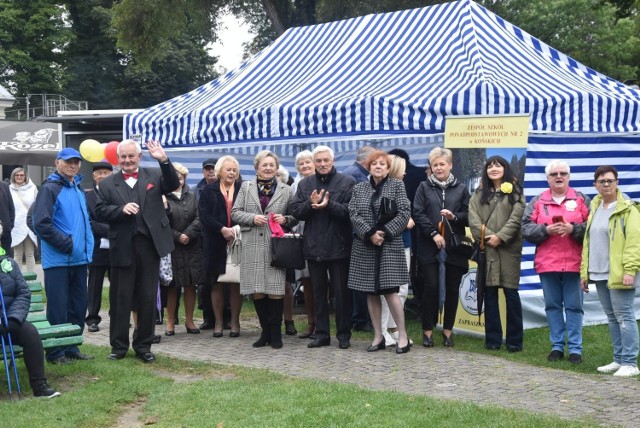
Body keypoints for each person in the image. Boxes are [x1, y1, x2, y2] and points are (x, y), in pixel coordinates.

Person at [95, 139, 180, 363]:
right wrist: (120, 209)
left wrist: (164, 160)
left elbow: (172, 184)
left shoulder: (153, 175)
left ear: (139, 157)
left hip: (149, 245)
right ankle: (118, 346)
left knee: (148, 297)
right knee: (120, 297)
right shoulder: (107, 183)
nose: (127, 160)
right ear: (118, 159)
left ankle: (144, 346)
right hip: (122, 245)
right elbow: (100, 211)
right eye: (123, 157)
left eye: (131, 156)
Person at [522, 160, 589, 364]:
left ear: (569, 176)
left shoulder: (581, 199)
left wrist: (574, 229)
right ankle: (557, 347)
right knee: (552, 306)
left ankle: (576, 349)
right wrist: (545, 230)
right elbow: (524, 227)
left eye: (562, 173)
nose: (558, 177)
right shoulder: (537, 201)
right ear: (547, 178)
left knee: (574, 307)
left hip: (574, 262)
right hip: (548, 262)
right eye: (554, 174)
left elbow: (593, 226)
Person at [33, 147, 94, 364]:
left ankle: (71, 347)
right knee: (58, 308)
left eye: (76, 162)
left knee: (78, 305)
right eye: (68, 161)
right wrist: (66, 244)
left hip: (79, 258)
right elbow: (40, 223)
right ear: (57, 162)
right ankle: (55, 352)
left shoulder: (77, 189)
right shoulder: (50, 188)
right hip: (59, 260)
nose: (73, 165)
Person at [348, 150, 413, 354]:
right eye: (374, 163)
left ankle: (402, 336)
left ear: (387, 168)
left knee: (390, 291)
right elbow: (354, 213)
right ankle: (378, 336)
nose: (378, 166)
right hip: (365, 246)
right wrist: (369, 233)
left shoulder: (397, 185)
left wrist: (383, 233)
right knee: (371, 292)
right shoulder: (359, 188)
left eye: (382, 164)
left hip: (389, 246)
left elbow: (404, 212)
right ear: (369, 166)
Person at [291, 145, 355, 349]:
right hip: (314, 246)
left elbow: (350, 212)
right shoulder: (305, 183)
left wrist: (329, 205)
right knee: (318, 293)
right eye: (318, 161)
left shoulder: (347, 182)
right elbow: (295, 212)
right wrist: (310, 204)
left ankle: (344, 334)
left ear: (333, 161)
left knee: (341, 294)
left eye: (326, 160)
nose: (322, 164)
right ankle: (322, 334)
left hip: (339, 245)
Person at [231, 150, 297, 349]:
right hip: (251, 244)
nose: (268, 168)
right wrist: (251, 218)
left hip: (275, 246)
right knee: (258, 290)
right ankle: (265, 333)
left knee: (276, 289)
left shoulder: (287, 189)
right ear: (256, 167)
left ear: (277, 168)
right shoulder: (245, 187)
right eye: (264, 165)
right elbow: (235, 213)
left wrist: (285, 219)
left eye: (272, 165)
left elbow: (295, 216)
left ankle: (276, 334)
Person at [580, 166, 640, 376]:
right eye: (601, 181)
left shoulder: (628, 209)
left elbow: (634, 243)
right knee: (612, 317)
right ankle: (618, 359)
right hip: (598, 272)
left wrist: (630, 270)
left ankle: (631, 362)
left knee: (624, 316)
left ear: (617, 183)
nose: (606, 184)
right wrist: (584, 273)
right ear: (595, 185)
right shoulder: (595, 207)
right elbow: (588, 243)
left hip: (620, 273)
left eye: (610, 181)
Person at [413, 147, 470, 348]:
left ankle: (448, 331)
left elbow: (469, 215)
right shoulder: (423, 187)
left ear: (450, 165)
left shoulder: (461, 188)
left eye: (442, 164)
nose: (438, 168)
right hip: (429, 245)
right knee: (431, 287)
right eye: (435, 164)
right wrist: (434, 233)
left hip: (454, 246)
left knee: (453, 288)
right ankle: (428, 331)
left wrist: (454, 217)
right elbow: (418, 213)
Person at [469, 156, 525, 352]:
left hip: (508, 249)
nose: (494, 168)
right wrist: (488, 238)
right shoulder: (478, 194)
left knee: (511, 293)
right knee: (490, 293)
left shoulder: (516, 192)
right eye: (490, 165)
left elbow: (516, 219)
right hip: (488, 249)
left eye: (498, 165)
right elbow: (473, 219)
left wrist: (500, 237)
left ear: (505, 169)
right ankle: (492, 340)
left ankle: (514, 342)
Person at [0, 248, 60, 398]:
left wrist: (13, 318)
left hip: (8, 318)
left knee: (30, 333)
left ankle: (39, 386)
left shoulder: (9, 264)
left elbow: (23, 293)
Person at [199, 155, 242, 338]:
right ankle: (218, 322)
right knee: (216, 282)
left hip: (238, 241)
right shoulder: (209, 190)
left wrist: (236, 230)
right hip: (215, 241)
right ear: (219, 171)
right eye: (228, 169)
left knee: (235, 283)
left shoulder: (243, 188)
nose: (231, 173)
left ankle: (234, 321)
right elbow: (204, 215)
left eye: (234, 170)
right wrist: (221, 229)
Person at [163, 162, 202, 336]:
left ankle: (189, 320)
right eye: (175, 177)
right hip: (172, 247)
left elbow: (200, 218)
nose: (178, 180)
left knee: (190, 285)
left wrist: (188, 234)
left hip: (192, 246)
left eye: (181, 177)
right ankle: (170, 322)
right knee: (173, 286)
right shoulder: (162, 196)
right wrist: (178, 236)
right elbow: (161, 222)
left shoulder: (193, 195)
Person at [379, 155, 414, 347]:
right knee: (387, 289)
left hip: (404, 242)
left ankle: (394, 328)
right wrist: (402, 221)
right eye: (402, 169)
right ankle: (382, 330)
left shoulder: (400, 187)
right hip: (389, 243)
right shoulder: (381, 188)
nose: (405, 173)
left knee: (401, 289)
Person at [342, 145, 375, 333]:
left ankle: (359, 317)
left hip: (353, 234)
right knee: (361, 280)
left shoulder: (350, 172)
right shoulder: (358, 176)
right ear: (366, 160)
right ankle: (361, 319)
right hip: (358, 235)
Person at [85, 162, 114, 333]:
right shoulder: (87, 197)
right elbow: (88, 222)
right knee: (95, 284)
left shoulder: (118, 193)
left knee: (117, 283)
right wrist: (110, 230)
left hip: (117, 246)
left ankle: (117, 315)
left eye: (106, 172)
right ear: (94, 176)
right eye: (99, 173)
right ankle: (92, 318)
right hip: (96, 246)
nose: (102, 176)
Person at [291, 150, 316, 339]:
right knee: (306, 282)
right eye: (302, 164)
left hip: (323, 238)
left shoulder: (323, 182)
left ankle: (323, 322)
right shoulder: (294, 186)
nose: (305, 166)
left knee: (322, 282)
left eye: (308, 162)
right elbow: (293, 211)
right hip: (302, 236)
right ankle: (311, 322)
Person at [193, 157, 220, 330]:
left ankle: (225, 317)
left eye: (213, 168)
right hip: (202, 240)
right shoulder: (197, 189)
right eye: (207, 169)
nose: (210, 171)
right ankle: (208, 317)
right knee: (205, 281)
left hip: (223, 238)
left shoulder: (227, 188)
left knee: (224, 280)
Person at [277, 164, 297, 336]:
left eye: (278, 174)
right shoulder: (258, 192)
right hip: (263, 241)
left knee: (286, 285)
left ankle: (289, 320)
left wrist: (285, 219)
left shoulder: (289, 192)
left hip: (284, 242)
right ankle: (271, 322)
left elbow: (295, 217)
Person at [9, 167, 38, 273]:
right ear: (13, 176)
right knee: (17, 255)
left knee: (30, 254)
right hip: (16, 226)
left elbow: (38, 205)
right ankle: (18, 281)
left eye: (21, 175)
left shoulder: (33, 188)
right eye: (17, 175)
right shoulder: (9, 189)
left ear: (25, 176)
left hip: (30, 225)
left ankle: (31, 280)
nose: (19, 177)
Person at [0, 180, 15, 257]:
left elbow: (11, 207)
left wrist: (9, 225)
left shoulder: (4, 186)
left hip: (5, 229)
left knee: (6, 259)